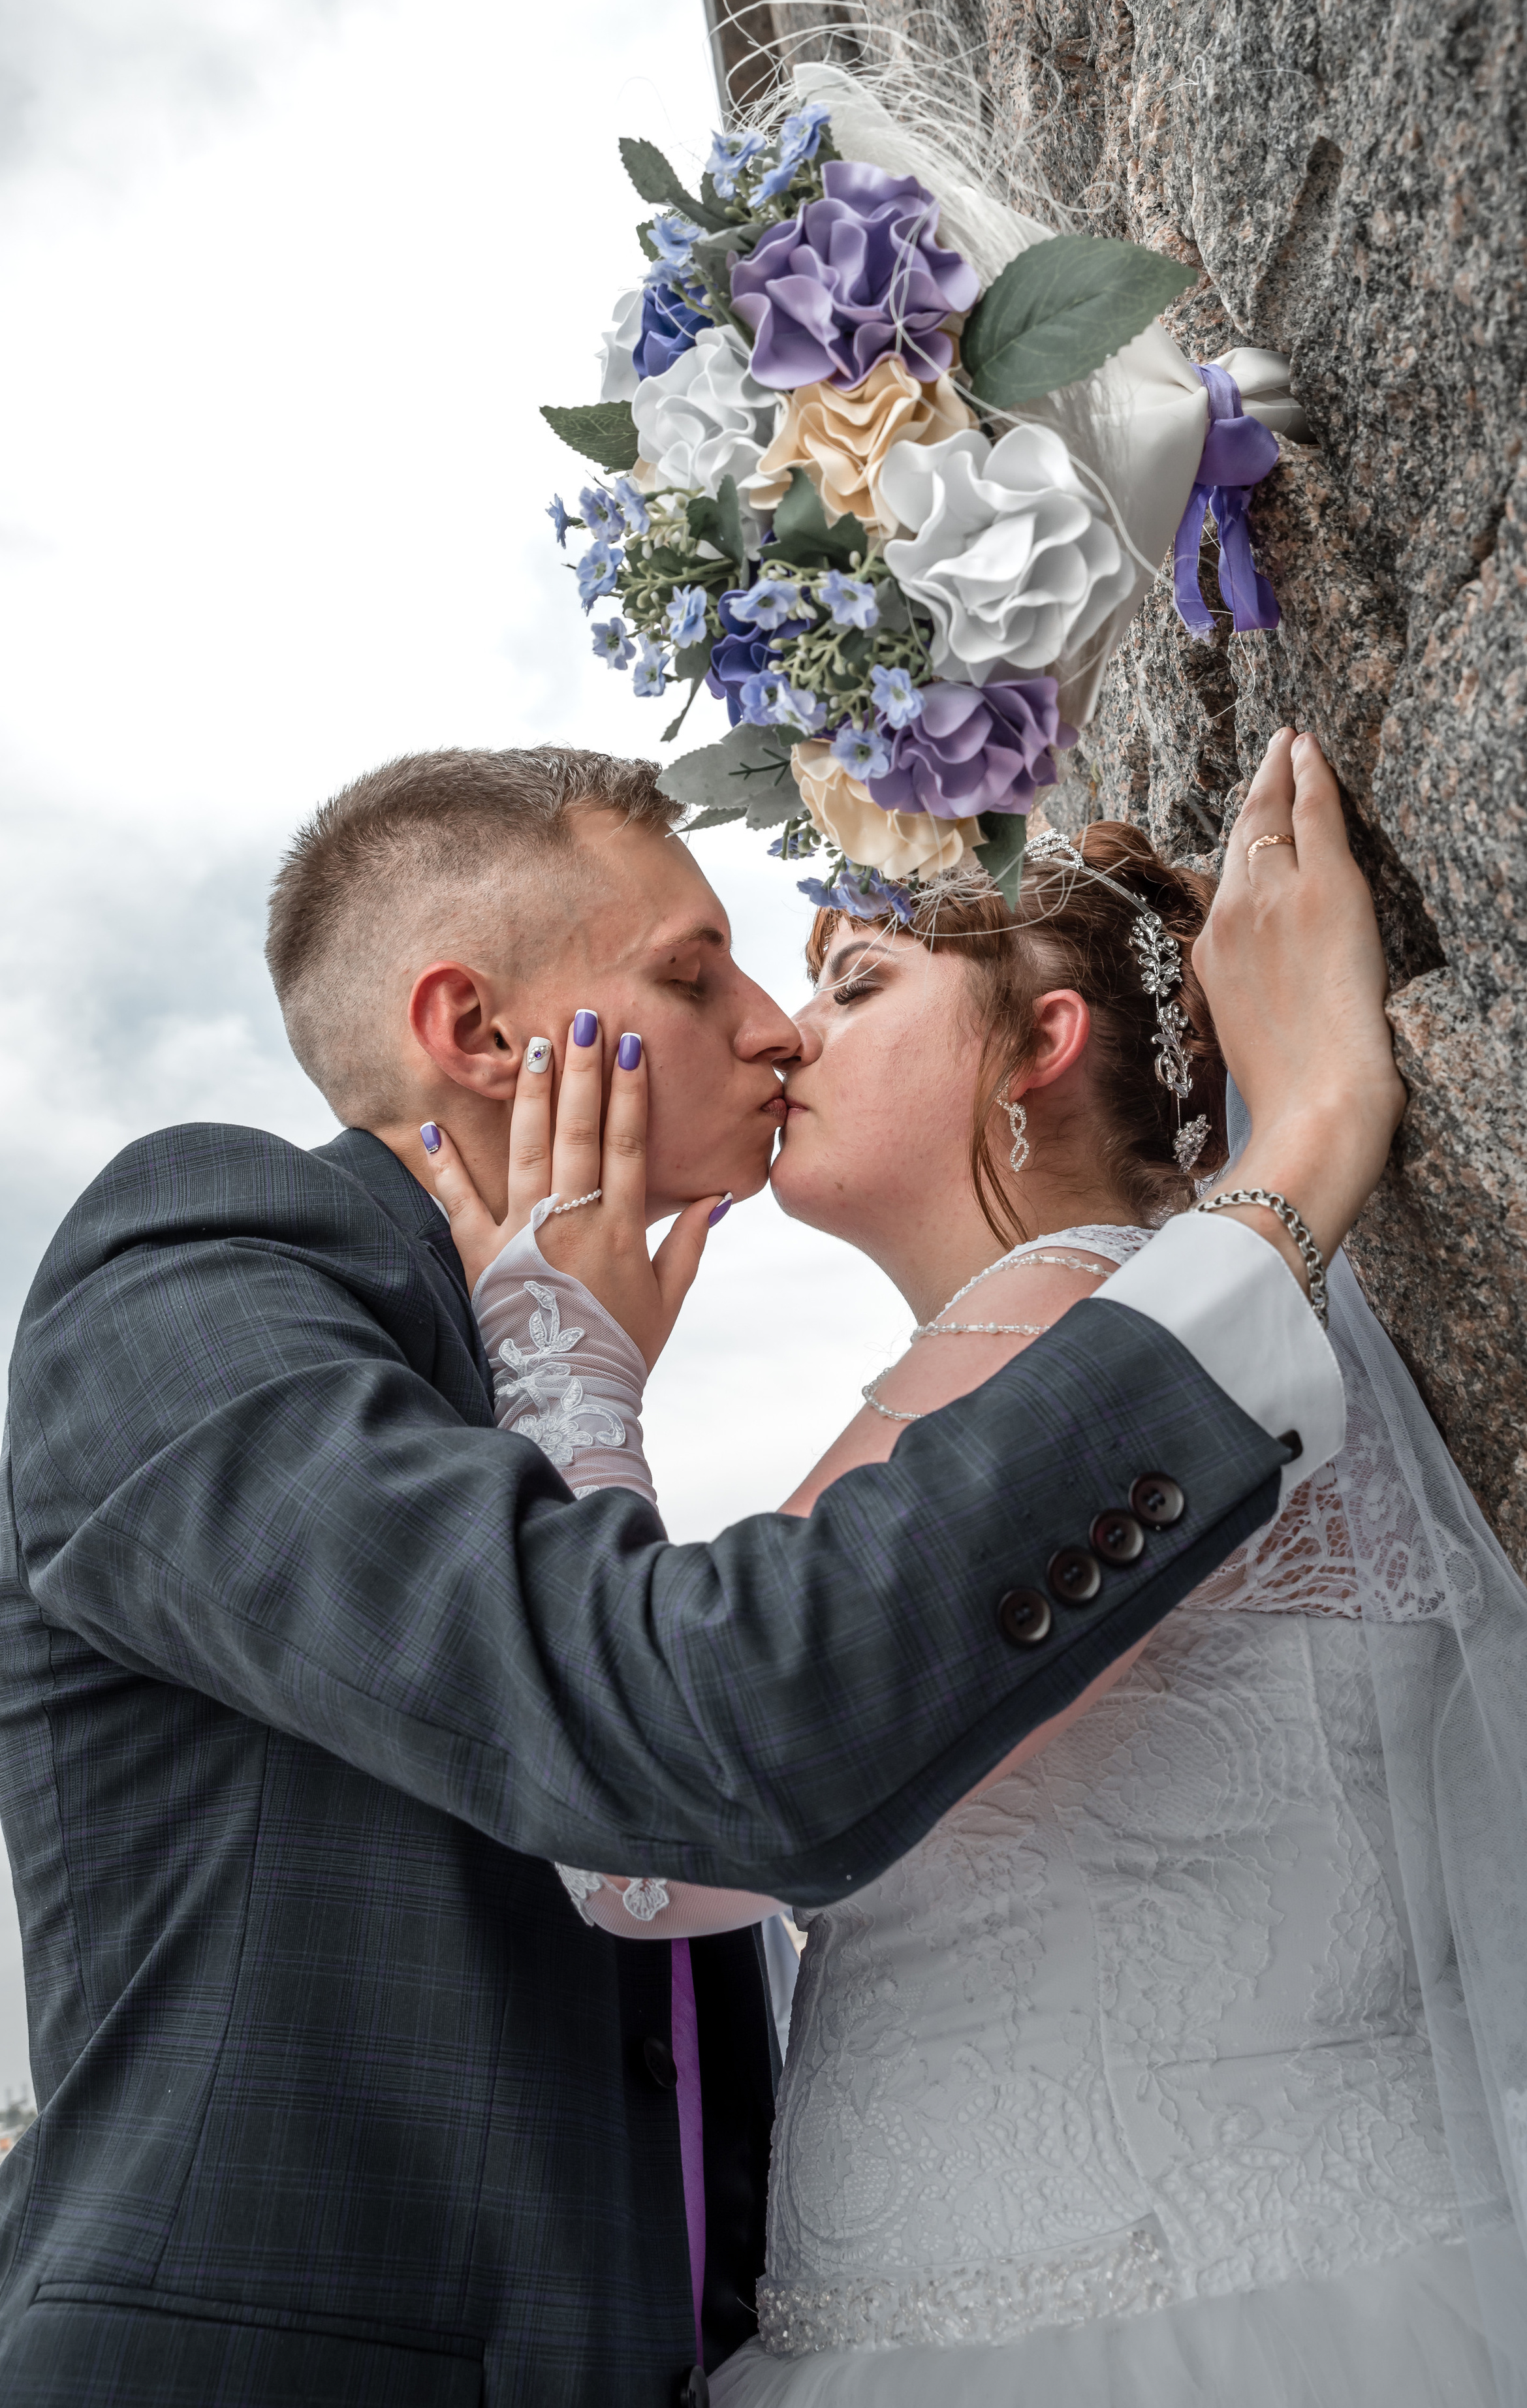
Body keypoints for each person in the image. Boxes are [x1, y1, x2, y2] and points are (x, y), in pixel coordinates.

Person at [0, 735, 1396, 2407]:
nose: (772, 1026)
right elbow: (704, 1733)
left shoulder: (531, 1373)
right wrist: (1287, 1180)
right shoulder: (197, 1261)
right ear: (477, 1032)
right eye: (691, 972)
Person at [460, 773, 1527, 2406]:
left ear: (1037, 1044)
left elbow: (650, 1839)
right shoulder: (1146, 1333)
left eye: (855, 984)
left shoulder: (1047, 1323)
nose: (789, 1035)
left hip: (1111, 2329)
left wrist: (569, 1381)